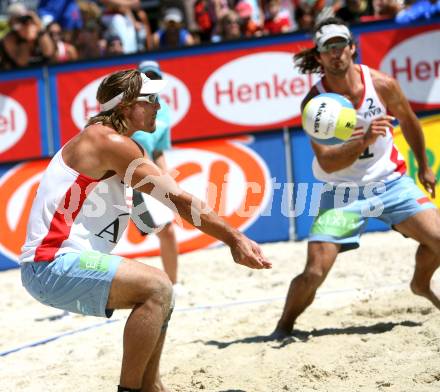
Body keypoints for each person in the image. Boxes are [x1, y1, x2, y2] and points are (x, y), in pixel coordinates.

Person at [19, 69, 271, 392]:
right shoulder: (109, 142)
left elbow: (141, 201)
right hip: (50, 265)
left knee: (163, 298)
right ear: (125, 106)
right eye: (151, 99)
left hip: (53, 265)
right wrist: (234, 238)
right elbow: (178, 200)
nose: (159, 107)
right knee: (158, 288)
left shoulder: (107, 140)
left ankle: (150, 386)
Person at [273, 17, 440, 338]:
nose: (336, 54)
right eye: (328, 49)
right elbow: (328, 162)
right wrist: (363, 139)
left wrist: (424, 166)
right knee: (314, 272)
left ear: (352, 48)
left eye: (340, 46)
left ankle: (420, 283)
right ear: (319, 56)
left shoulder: (382, 85)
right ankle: (283, 326)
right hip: (341, 193)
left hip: (390, 182)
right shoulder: (315, 103)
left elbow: (410, 121)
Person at [131, 59, 182, 292]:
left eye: (154, 77)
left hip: (147, 179)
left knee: (167, 231)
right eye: (146, 77)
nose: (150, 81)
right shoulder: (128, 106)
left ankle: (173, 284)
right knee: (102, 238)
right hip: (121, 179)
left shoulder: (164, 110)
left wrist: (167, 178)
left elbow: (159, 149)